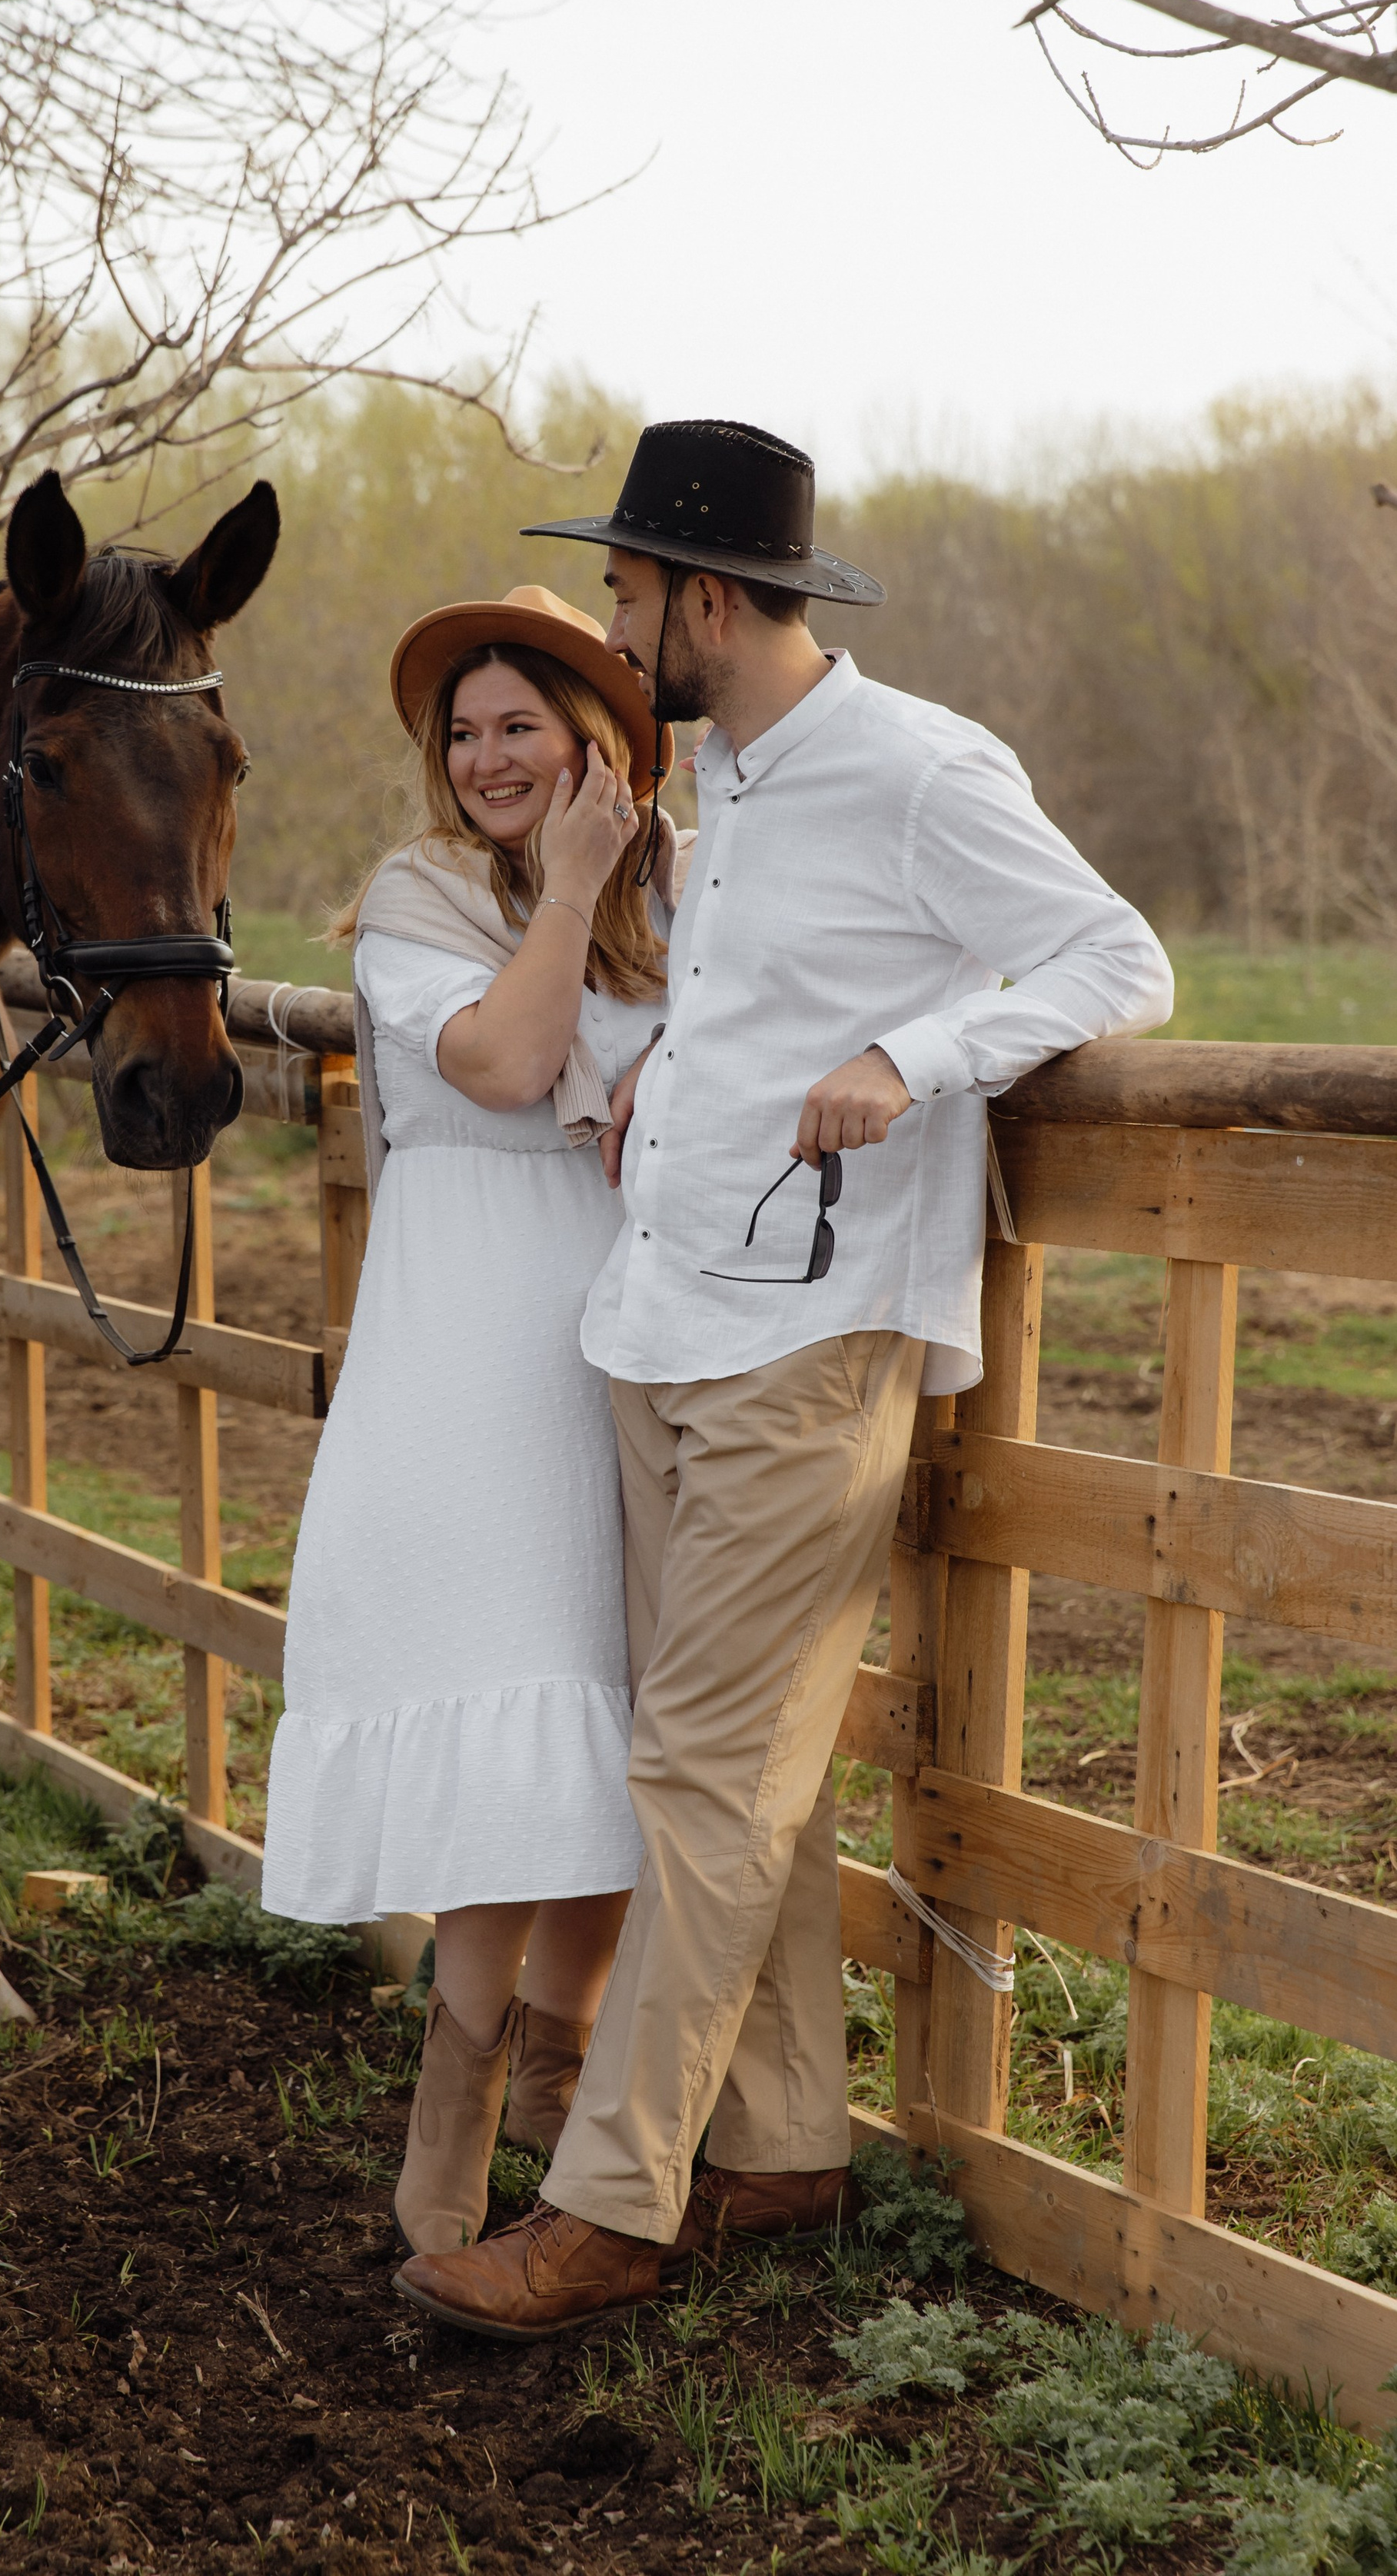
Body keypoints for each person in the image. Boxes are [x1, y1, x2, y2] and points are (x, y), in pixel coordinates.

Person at [392, 418, 1175, 2337]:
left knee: (700, 1778)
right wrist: (670, 1086)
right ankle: (780, 2148)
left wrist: (914, 1058)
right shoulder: (720, 786)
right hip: (660, 1325)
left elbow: (1112, 957)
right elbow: (739, 1001)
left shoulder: (915, 766)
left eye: (627, 591)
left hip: (807, 1346)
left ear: (709, 602)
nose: (608, 619)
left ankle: (607, 2208)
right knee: (743, 1776)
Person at [261, 584, 682, 2258]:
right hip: (465, 1332)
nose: (490, 756)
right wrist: (571, 886)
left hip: (622, 1322)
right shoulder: (421, 891)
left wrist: (685, 1060)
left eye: (524, 725)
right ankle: (451, 2104)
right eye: (467, 730)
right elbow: (510, 1066)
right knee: (505, 1699)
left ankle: (560, 2079)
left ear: (595, 742)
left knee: (600, 1710)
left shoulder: (677, 892)